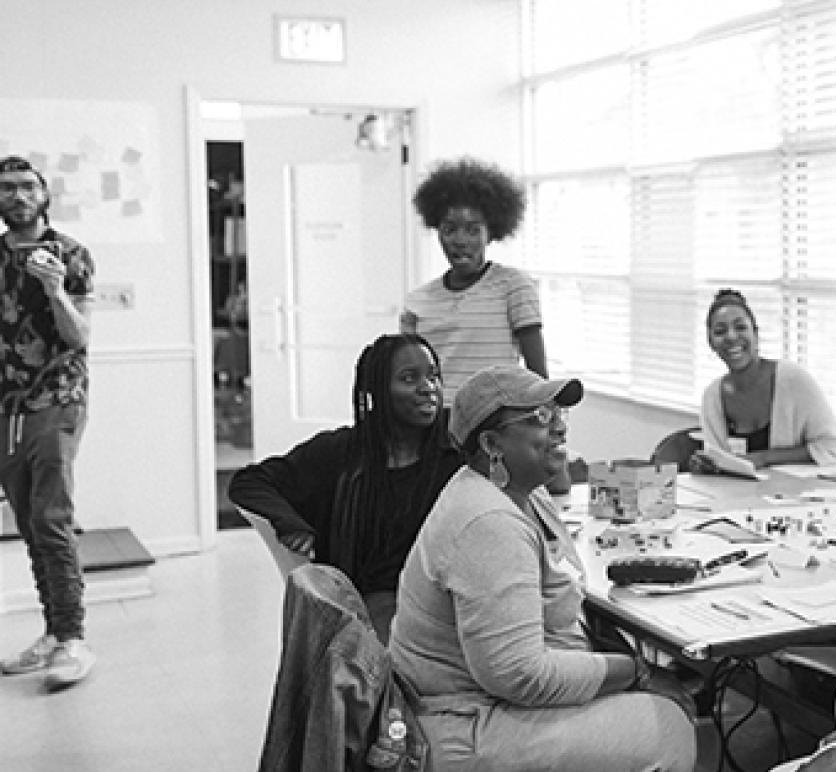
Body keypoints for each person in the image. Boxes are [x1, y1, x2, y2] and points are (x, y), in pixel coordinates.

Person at [388, 365, 696, 772]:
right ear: (491, 443)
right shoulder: (487, 521)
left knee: (651, 699)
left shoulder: (521, 492)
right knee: (668, 728)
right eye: (540, 418)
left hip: (486, 702)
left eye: (559, 415)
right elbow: (520, 675)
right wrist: (635, 671)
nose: (560, 429)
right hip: (461, 725)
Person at [228, 333, 458, 642]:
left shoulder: (456, 447)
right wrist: (290, 523)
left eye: (433, 376)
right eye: (408, 378)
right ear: (375, 390)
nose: (428, 388)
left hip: (449, 596)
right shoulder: (343, 452)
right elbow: (250, 482)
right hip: (379, 602)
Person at [0, 156, 96, 690]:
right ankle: (53, 631)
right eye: (6, 188)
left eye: (26, 187)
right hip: (5, 406)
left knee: (52, 517)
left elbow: (80, 335)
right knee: (29, 522)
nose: (16, 196)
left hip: (57, 398)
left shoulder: (72, 254)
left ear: (43, 195)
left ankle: (73, 638)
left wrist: (56, 289)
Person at [400, 157, 546, 404]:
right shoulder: (418, 301)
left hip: (494, 422)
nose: (460, 240)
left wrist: (544, 420)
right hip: (434, 424)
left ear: (491, 233)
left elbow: (537, 376)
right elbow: (408, 375)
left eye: (472, 230)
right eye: (449, 229)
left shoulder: (513, 286)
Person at [697, 288, 836, 470]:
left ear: (756, 334)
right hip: (737, 496)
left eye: (740, 327)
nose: (731, 337)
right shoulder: (712, 397)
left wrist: (763, 458)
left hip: (801, 495)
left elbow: (829, 449)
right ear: (710, 342)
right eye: (720, 331)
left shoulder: (794, 380)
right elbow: (722, 463)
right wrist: (707, 466)